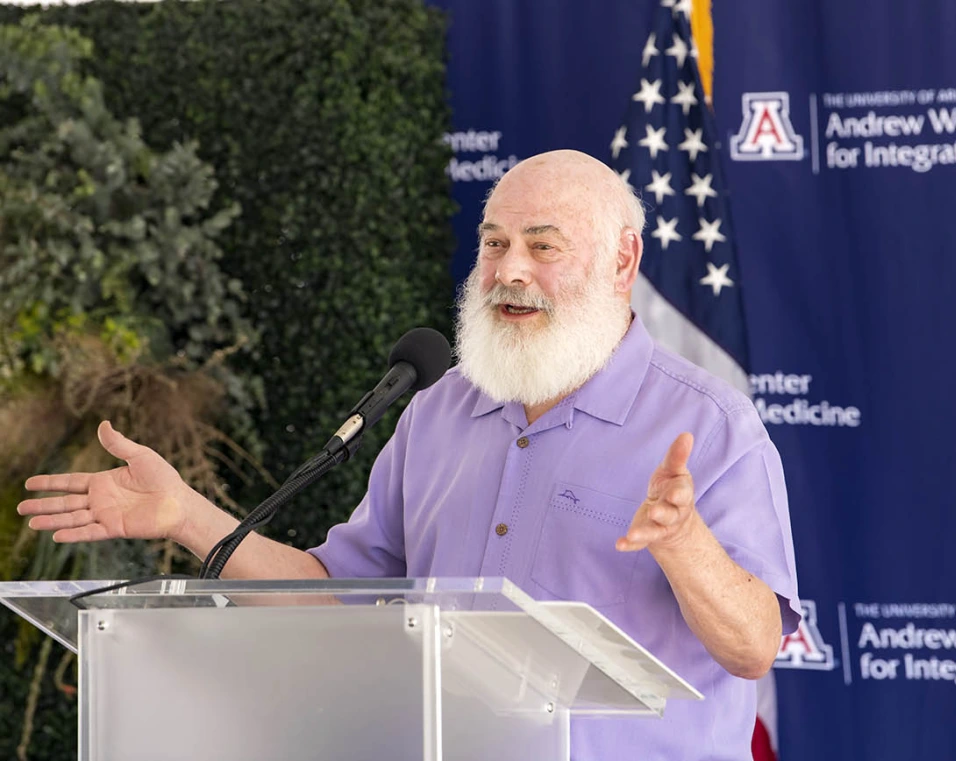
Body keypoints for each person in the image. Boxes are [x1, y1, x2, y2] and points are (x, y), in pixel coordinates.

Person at [19, 150, 800, 760]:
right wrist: (187, 515)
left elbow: (753, 645)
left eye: (542, 245)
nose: (509, 270)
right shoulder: (438, 408)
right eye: (494, 243)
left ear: (624, 261)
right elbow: (332, 597)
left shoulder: (709, 424)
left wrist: (685, 544)